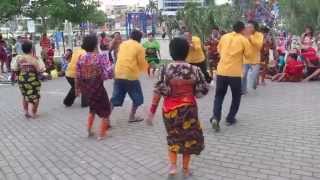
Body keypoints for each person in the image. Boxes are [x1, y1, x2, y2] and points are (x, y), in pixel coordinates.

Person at [146, 38, 209, 177]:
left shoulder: (164, 69)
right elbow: (202, 90)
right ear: (187, 52)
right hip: (189, 109)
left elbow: (158, 92)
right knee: (189, 138)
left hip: (169, 110)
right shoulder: (195, 69)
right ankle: (185, 169)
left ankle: (173, 167)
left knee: (173, 137)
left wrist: (151, 112)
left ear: (171, 52)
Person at [209, 21, 254, 132]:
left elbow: (219, 50)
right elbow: (249, 55)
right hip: (234, 73)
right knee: (236, 96)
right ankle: (230, 118)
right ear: (242, 29)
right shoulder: (244, 40)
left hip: (221, 71)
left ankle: (215, 117)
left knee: (219, 96)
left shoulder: (224, 37)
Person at [75, 35, 112, 140]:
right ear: (95, 45)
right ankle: (102, 134)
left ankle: (89, 130)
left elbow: (78, 75)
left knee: (92, 109)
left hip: (87, 90)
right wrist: (112, 70)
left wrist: (77, 89)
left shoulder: (81, 58)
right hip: (98, 88)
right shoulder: (99, 57)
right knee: (106, 110)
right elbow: (107, 73)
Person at [110, 30, 148, 123]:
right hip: (130, 75)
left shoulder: (123, 44)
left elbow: (119, 57)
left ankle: (106, 118)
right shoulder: (139, 47)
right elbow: (142, 63)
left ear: (130, 36)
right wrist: (145, 69)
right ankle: (132, 116)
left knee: (115, 98)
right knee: (137, 97)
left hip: (118, 73)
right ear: (140, 39)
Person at [11, 41, 45, 118]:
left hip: (22, 79)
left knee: (25, 95)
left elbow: (14, 68)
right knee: (35, 96)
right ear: (31, 49)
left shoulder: (19, 58)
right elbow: (39, 70)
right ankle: (32, 112)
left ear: (22, 49)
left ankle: (26, 111)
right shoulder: (34, 59)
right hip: (32, 80)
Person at [242, 21, 264, 94]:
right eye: (247, 27)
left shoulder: (259, 35)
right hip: (245, 58)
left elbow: (259, 46)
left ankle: (254, 83)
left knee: (254, 76)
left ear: (255, 28)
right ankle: (243, 90)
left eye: (250, 27)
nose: (248, 28)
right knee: (243, 75)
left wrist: (250, 37)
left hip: (255, 60)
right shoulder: (244, 35)